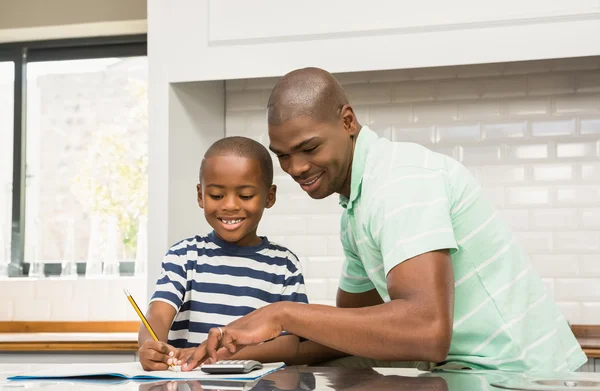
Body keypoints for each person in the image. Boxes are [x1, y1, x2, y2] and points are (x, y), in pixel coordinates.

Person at [181, 67, 587, 373]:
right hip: (478, 378)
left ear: (347, 121)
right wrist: (234, 350)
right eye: (283, 154)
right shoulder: (356, 207)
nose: (296, 167)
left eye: (309, 147)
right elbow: (348, 334)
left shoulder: (398, 182)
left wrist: (282, 313)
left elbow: (427, 333)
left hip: (525, 381)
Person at [138, 136, 308, 371]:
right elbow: (157, 314)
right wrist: (150, 345)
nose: (229, 205)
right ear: (200, 195)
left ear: (269, 197)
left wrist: (217, 355)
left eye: (246, 196)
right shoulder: (183, 256)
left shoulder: (285, 265)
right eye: (217, 195)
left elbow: (289, 345)